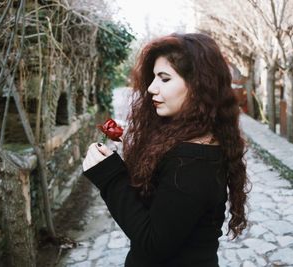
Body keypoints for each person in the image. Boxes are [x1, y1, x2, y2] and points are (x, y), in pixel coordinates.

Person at [82, 33, 250, 267]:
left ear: (199, 85)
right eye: (153, 77)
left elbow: (153, 244)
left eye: (164, 78)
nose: (151, 88)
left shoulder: (193, 162)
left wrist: (110, 177)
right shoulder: (192, 139)